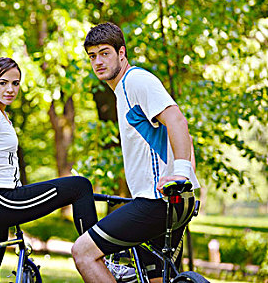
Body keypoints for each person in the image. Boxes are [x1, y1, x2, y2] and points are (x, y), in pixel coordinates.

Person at [71, 22, 200, 282]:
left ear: (121, 53)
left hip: (156, 201)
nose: (98, 61)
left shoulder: (135, 81)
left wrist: (182, 174)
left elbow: (178, 121)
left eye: (105, 53)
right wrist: (187, 182)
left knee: (83, 252)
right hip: (173, 200)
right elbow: (183, 134)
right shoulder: (124, 91)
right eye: (92, 56)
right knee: (155, 278)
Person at [0, 57, 98, 267]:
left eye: (15, 83)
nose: (10, 89)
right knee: (80, 186)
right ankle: (98, 256)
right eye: (3, 83)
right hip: (1, 199)